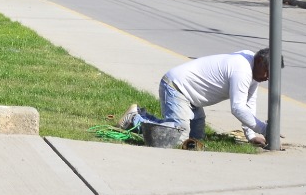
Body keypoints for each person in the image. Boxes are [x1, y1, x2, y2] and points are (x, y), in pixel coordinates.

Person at [118, 48, 277, 147]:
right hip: (177, 87)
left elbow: (248, 105)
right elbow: (238, 108)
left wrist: (252, 136)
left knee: (195, 138)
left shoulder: (252, 70)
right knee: (178, 138)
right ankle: (135, 119)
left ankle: (143, 117)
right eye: (267, 71)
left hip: (191, 98)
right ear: (259, 61)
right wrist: (264, 129)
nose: (268, 77)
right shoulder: (242, 69)